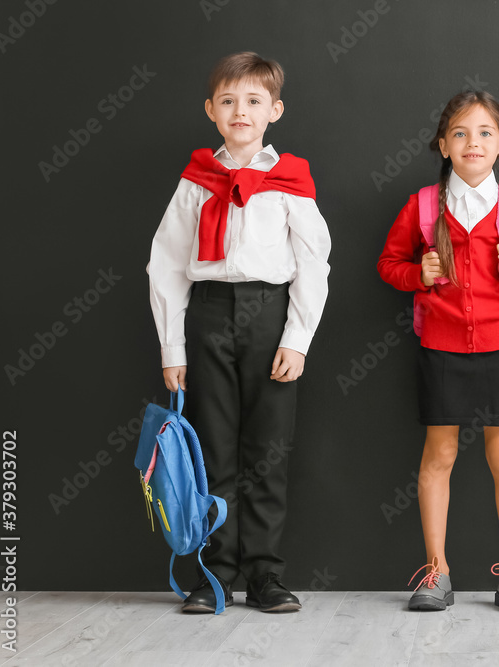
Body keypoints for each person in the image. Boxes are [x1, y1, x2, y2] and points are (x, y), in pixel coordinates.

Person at [147, 52, 331, 613]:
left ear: (274, 110)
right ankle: (214, 574)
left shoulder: (289, 180)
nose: (240, 110)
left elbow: (314, 262)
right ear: (211, 110)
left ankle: (266, 575)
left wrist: (296, 338)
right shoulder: (197, 180)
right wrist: (172, 347)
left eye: (253, 100)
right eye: (228, 100)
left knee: (268, 453)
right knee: (214, 452)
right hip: (207, 314)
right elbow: (166, 264)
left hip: (269, 314)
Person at [377, 91, 499, 612]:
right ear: (443, 146)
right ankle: (436, 573)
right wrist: (420, 274)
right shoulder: (421, 206)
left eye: (485, 133)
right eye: (460, 133)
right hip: (440, 349)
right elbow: (389, 264)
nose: (472, 142)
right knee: (439, 455)